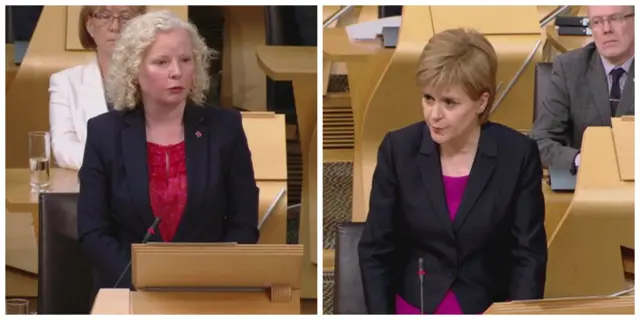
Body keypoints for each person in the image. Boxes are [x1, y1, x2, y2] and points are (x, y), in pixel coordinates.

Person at [357, 28, 548, 315]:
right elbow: (375, 251)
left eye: (450, 103)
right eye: (428, 98)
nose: (434, 114)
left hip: (486, 307)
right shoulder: (398, 150)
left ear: (481, 102)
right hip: (414, 304)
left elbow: (528, 257)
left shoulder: (518, 155)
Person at [77, 10, 259, 294]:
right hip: (128, 291)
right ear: (134, 71)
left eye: (185, 60)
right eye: (162, 62)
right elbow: (93, 232)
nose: (177, 71)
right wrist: (138, 283)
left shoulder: (225, 128)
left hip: (208, 292)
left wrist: (213, 279)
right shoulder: (105, 133)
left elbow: (243, 222)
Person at [532, 5, 634, 170]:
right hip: (583, 185)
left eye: (615, 18)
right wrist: (582, 160)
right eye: (597, 22)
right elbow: (541, 141)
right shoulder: (569, 68)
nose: (606, 29)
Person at [49, 6, 146, 170]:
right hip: (91, 188)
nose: (115, 27)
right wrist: (115, 165)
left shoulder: (155, 79)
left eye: (126, 16)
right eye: (104, 15)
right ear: (89, 25)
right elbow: (63, 148)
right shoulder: (65, 82)